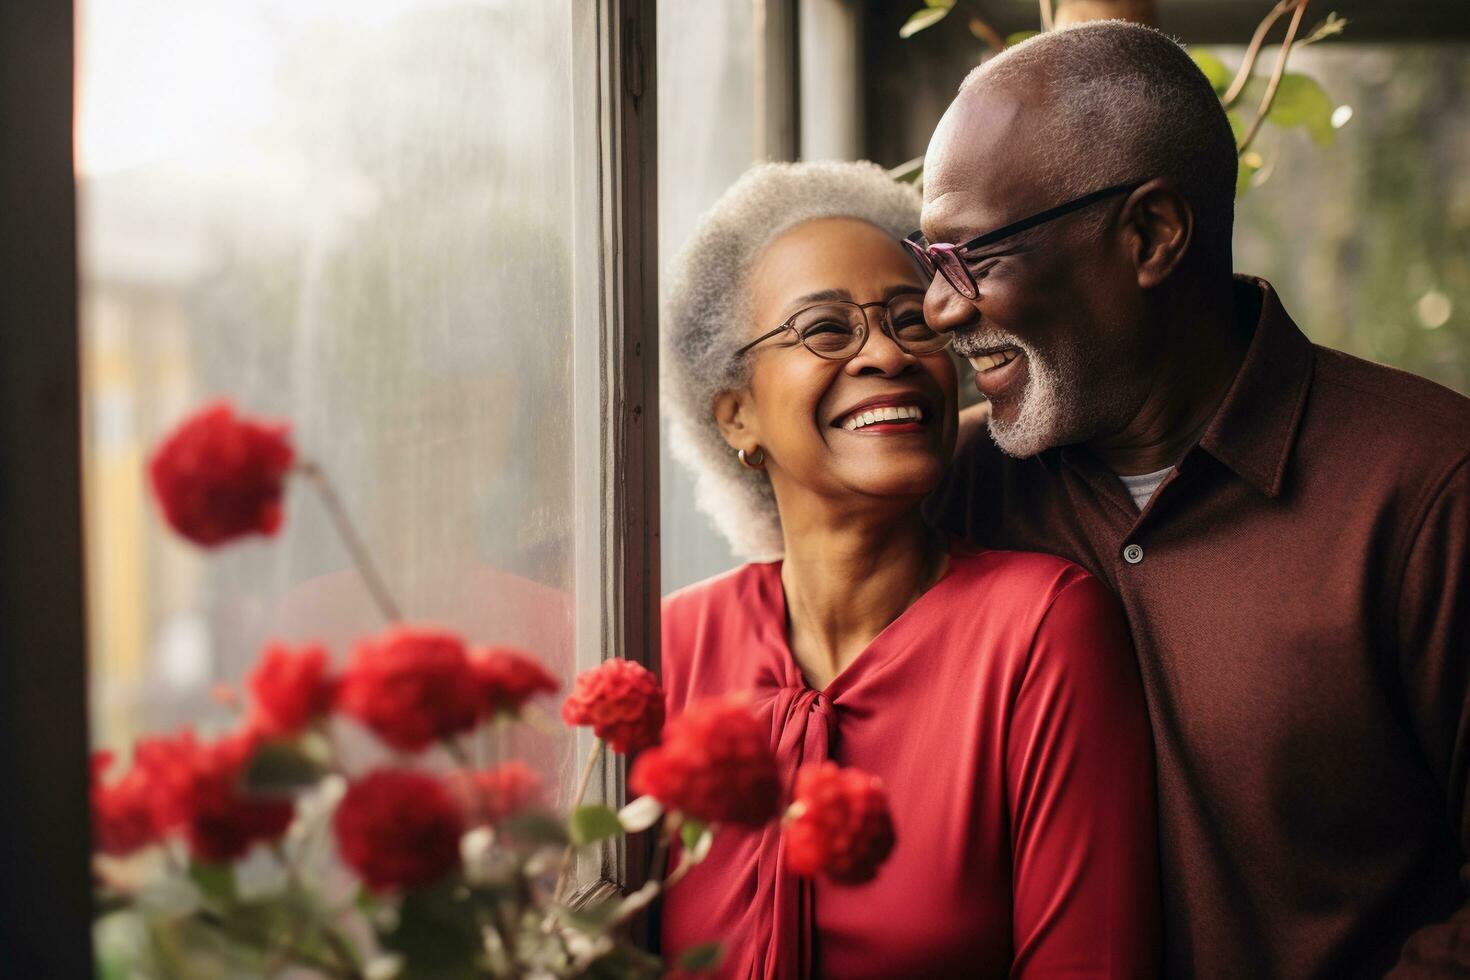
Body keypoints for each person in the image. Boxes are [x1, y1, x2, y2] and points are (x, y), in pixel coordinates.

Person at [913, 21, 1470, 979]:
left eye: (977, 258)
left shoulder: (1431, 489)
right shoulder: (954, 489)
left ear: (1151, 235)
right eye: (928, 261)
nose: (940, 309)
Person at [659, 160, 1158, 979]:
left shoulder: (1040, 631)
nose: (888, 355)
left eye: (912, 320)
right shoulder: (672, 643)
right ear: (737, 415)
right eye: (825, 329)